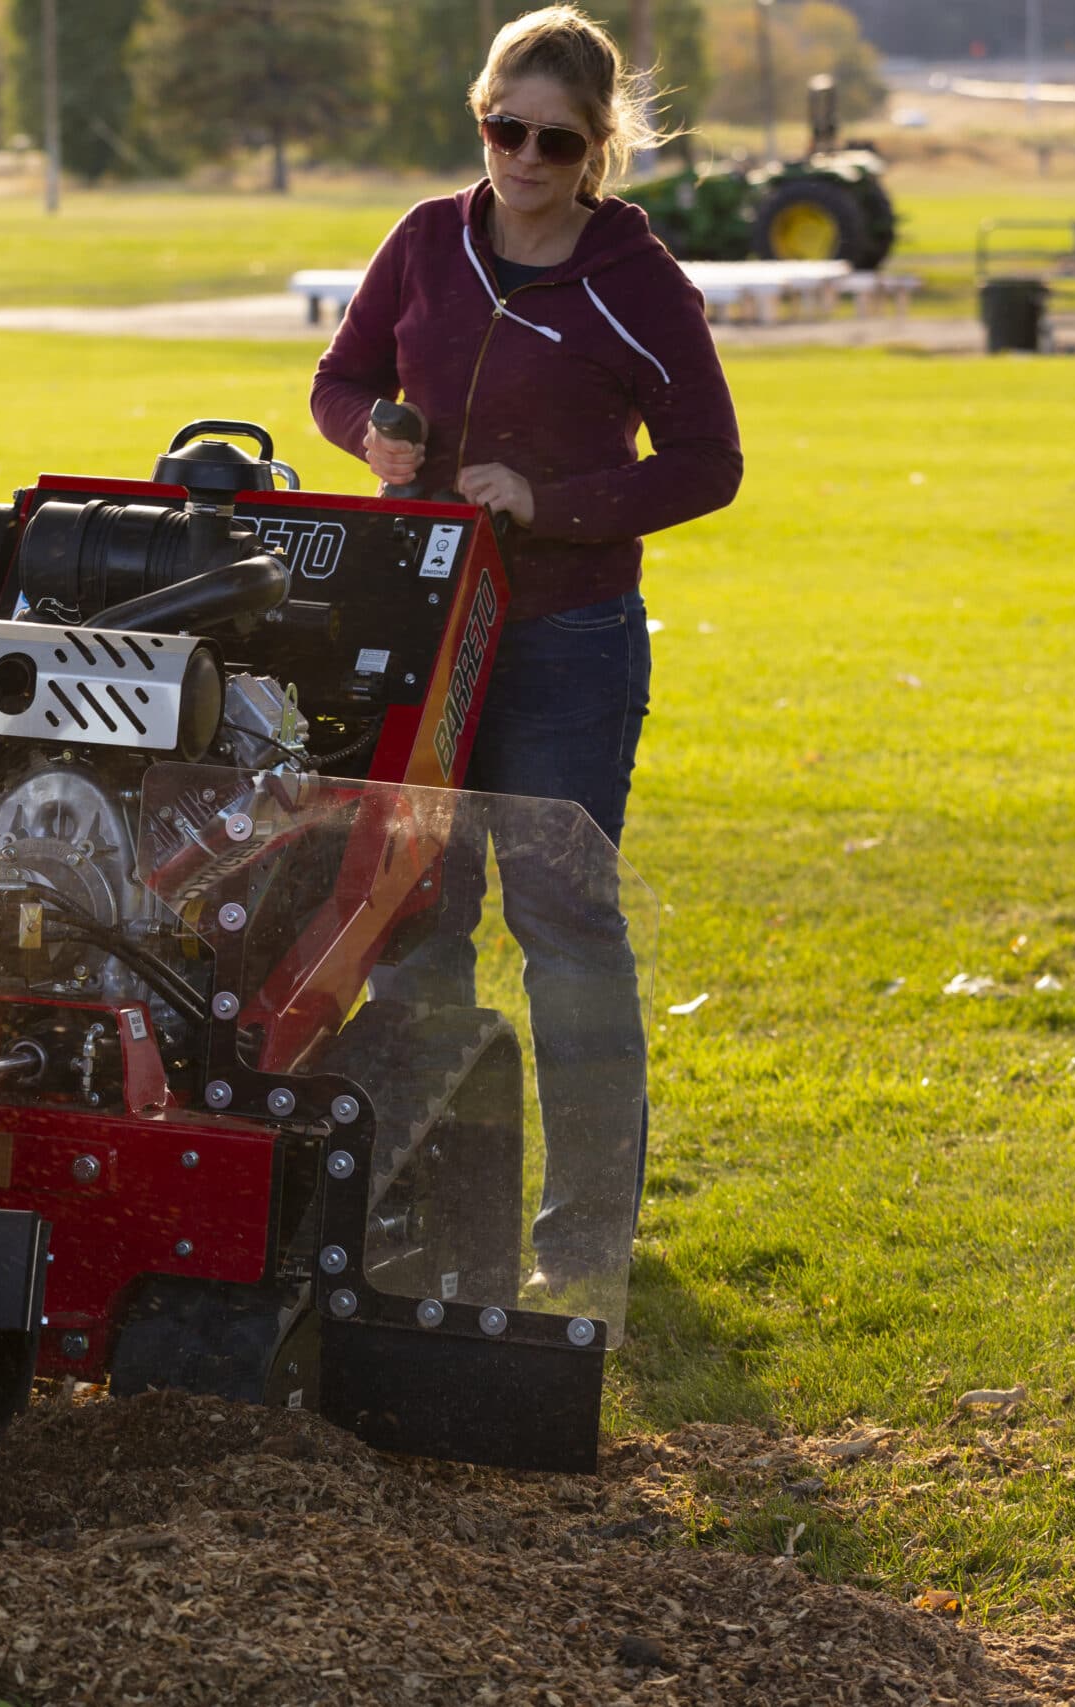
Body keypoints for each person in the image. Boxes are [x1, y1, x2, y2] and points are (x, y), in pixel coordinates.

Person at [309, 3, 742, 1295]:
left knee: (565, 932)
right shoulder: (426, 245)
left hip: (567, 642)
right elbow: (339, 381)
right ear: (480, 120)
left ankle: (586, 1246)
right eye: (506, 130)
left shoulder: (641, 286)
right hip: (427, 636)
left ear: (599, 149)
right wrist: (370, 438)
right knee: (416, 923)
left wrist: (553, 506)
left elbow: (711, 466)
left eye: (557, 141)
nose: (526, 160)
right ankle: (424, 1231)